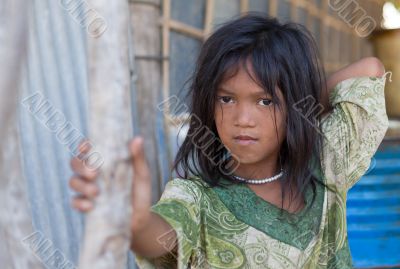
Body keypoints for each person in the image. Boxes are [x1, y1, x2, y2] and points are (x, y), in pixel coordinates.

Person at [69, 13, 390, 268]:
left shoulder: (328, 163)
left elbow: (370, 69)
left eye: (264, 101)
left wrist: (297, 108)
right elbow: (161, 235)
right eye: (226, 99)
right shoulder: (199, 197)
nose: (243, 119)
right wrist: (136, 223)